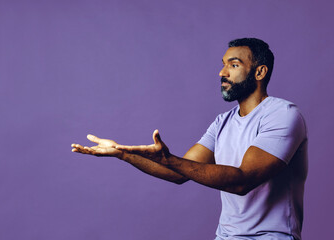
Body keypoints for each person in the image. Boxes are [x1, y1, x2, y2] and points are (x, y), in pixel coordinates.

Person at [71, 38, 308, 240]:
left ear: (259, 72)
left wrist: (170, 160)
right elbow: (178, 173)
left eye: (233, 65)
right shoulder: (222, 122)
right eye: (223, 65)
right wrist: (123, 154)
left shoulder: (282, 115)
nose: (222, 73)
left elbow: (242, 181)